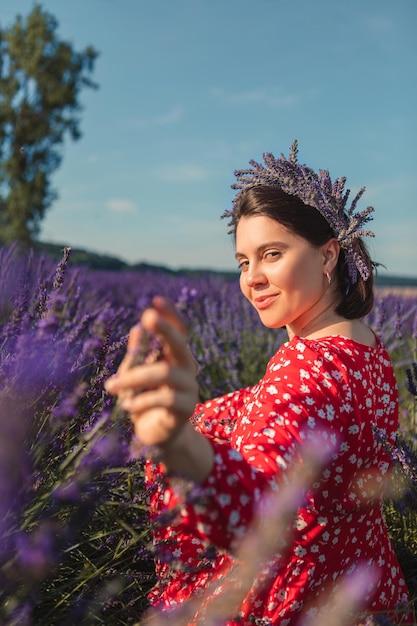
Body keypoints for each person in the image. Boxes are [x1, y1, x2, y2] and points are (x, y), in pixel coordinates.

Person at [105, 141, 411, 625]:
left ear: (328, 254)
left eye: (272, 254)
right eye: (244, 261)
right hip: (370, 593)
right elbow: (298, 418)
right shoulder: (364, 346)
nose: (252, 279)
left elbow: (260, 512)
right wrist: (203, 410)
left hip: (298, 603)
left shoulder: (306, 367)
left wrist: (180, 441)